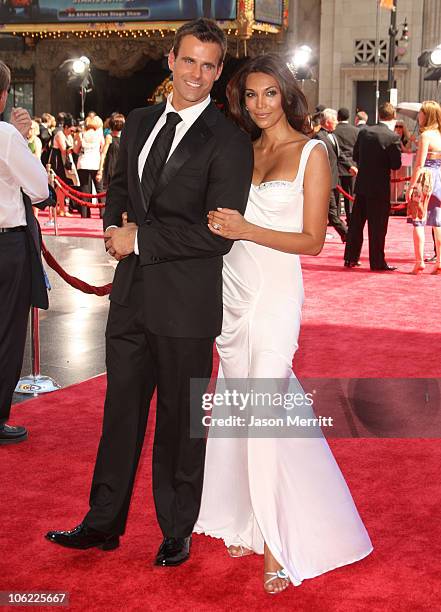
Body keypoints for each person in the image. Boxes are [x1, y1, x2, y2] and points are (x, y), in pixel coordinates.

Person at [45, 19, 254, 568]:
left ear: (218, 71)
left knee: (180, 425)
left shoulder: (230, 140)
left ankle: (177, 527)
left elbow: (219, 234)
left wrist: (140, 240)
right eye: (190, 61)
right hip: (132, 297)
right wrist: (116, 225)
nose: (198, 74)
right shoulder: (138, 123)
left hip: (187, 304)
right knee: (120, 415)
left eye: (210, 65)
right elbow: (119, 187)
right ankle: (102, 523)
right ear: (171, 59)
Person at [194, 54, 373, 594]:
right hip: (234, 288)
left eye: (269, 94)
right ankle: (245, 514)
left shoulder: (312, 152)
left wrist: (245, 227)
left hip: (274, 292)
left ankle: (276, 538)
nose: (259, 105)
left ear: (286, 94)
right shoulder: (239, 149)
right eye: (249, 96)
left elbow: (313, 241)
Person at [0, 60, 49, 446]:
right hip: (6, 245)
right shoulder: (5, 136)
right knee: (5, 335)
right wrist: (23, 140)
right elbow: (39, 188)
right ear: (3, 95)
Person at [344, 102, 401, 271]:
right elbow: (396, 165)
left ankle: (350, 258)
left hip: (362, 185)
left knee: (356, 224)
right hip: (379, 188)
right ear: (393, 117)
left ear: (379, 114)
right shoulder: (392, 137)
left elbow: (355, 155)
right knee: (378, 227)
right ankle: (377, 262)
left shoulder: (364, 132)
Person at [406, 100, 441, 274]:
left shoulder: (426, 135)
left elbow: (419, 164)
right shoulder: (440, 135)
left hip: (425, 177)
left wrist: (411, 187)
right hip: (440, 177)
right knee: (438, 222)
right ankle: (440, 262)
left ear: (427, 115)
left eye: (421, 112)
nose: (418, 115)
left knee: (418, 220)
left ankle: (419, 261)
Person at [314, 108, 348, 242]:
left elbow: (339, 155)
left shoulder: (333, 135)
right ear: (327, 122)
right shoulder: (318, 137)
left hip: (334, 180)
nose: (336, 123)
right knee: (332, 211)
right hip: (324, 181)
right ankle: (346, 233)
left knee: (333, 210)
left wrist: (350, 166)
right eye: (334, 120)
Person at [74, 114, 105, 218]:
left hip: (83, 163)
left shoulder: (82, 135)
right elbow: (102, 149)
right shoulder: (99, 135)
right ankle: (103, 213)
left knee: (84, 189)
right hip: (95, 162)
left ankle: (85, 213)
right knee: (99, 189)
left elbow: (76, 150)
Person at [334, 107, 359, 222]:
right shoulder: (356, 131)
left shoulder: (334, 130)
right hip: (351, 166)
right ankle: (351, 217)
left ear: (338, 117)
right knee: (349, 194)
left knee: (337, 195)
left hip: (338, 166)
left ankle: (337, 217)